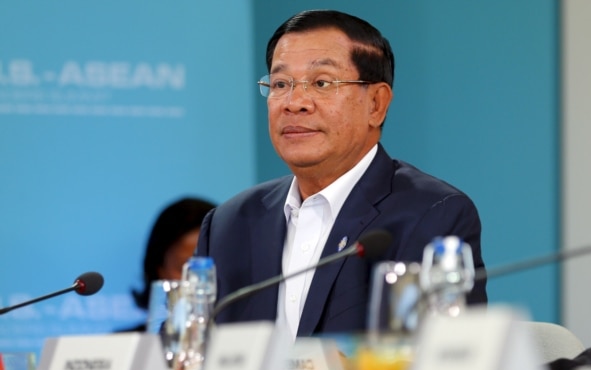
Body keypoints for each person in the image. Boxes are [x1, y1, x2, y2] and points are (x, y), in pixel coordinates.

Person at [196, 10, 487, 338]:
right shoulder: (229, 224)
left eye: (321, 83)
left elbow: (443, 366)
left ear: (376, 104)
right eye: (280, 84)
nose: (294, 103)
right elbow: (188, 360)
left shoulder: (432, 215)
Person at [124, 196, 217, 332]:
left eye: (207, 269)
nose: (197, 282)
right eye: (185, 268)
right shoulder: (125, 347)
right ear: (159, 269)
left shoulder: (251, 336)